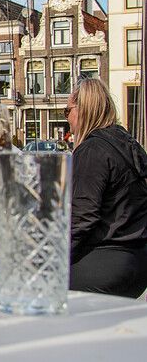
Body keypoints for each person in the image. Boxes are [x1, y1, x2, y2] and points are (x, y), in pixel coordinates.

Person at [66, 78, 147, 298]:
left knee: (28, 280)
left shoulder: (92, 150)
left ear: (82, 110)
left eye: (67, 111)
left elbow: (82, 218)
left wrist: (49, 256)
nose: (68, 120)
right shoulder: (129, 143)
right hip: (138, 263)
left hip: (105, 263)